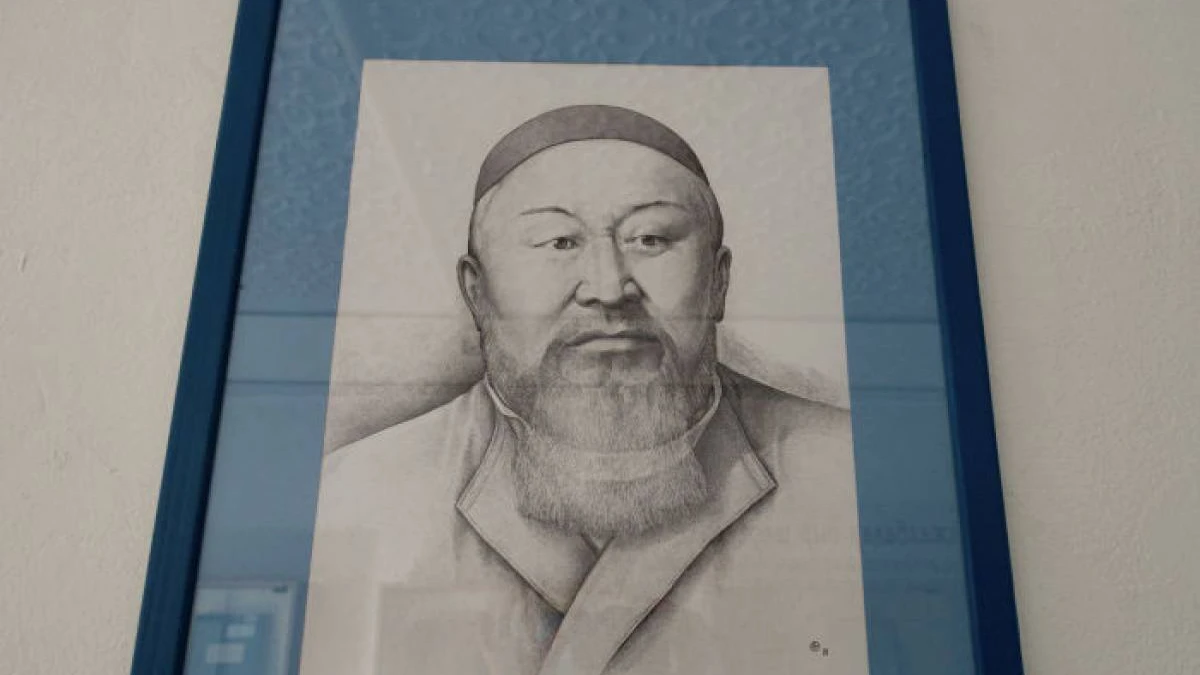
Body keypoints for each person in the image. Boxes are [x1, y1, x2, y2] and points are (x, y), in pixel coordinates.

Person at [299, 105, 867, 674]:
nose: (607, 288)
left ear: (718, 282)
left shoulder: (849, 473)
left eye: (650, 238)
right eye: (558, 242)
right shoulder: (358, 493)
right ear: (477, 293)